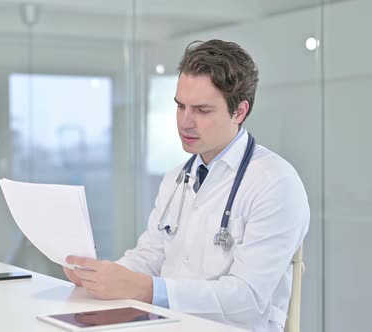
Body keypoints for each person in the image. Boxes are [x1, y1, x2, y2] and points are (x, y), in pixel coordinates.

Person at [63, 39, 310, 332]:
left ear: (240, 112)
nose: (185, 122)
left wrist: (147, 290)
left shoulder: (274, 183)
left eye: (202, 110)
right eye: (180, 106)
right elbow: (150, 256)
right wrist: (100, 275)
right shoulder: (177, 178)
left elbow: (248, 299)